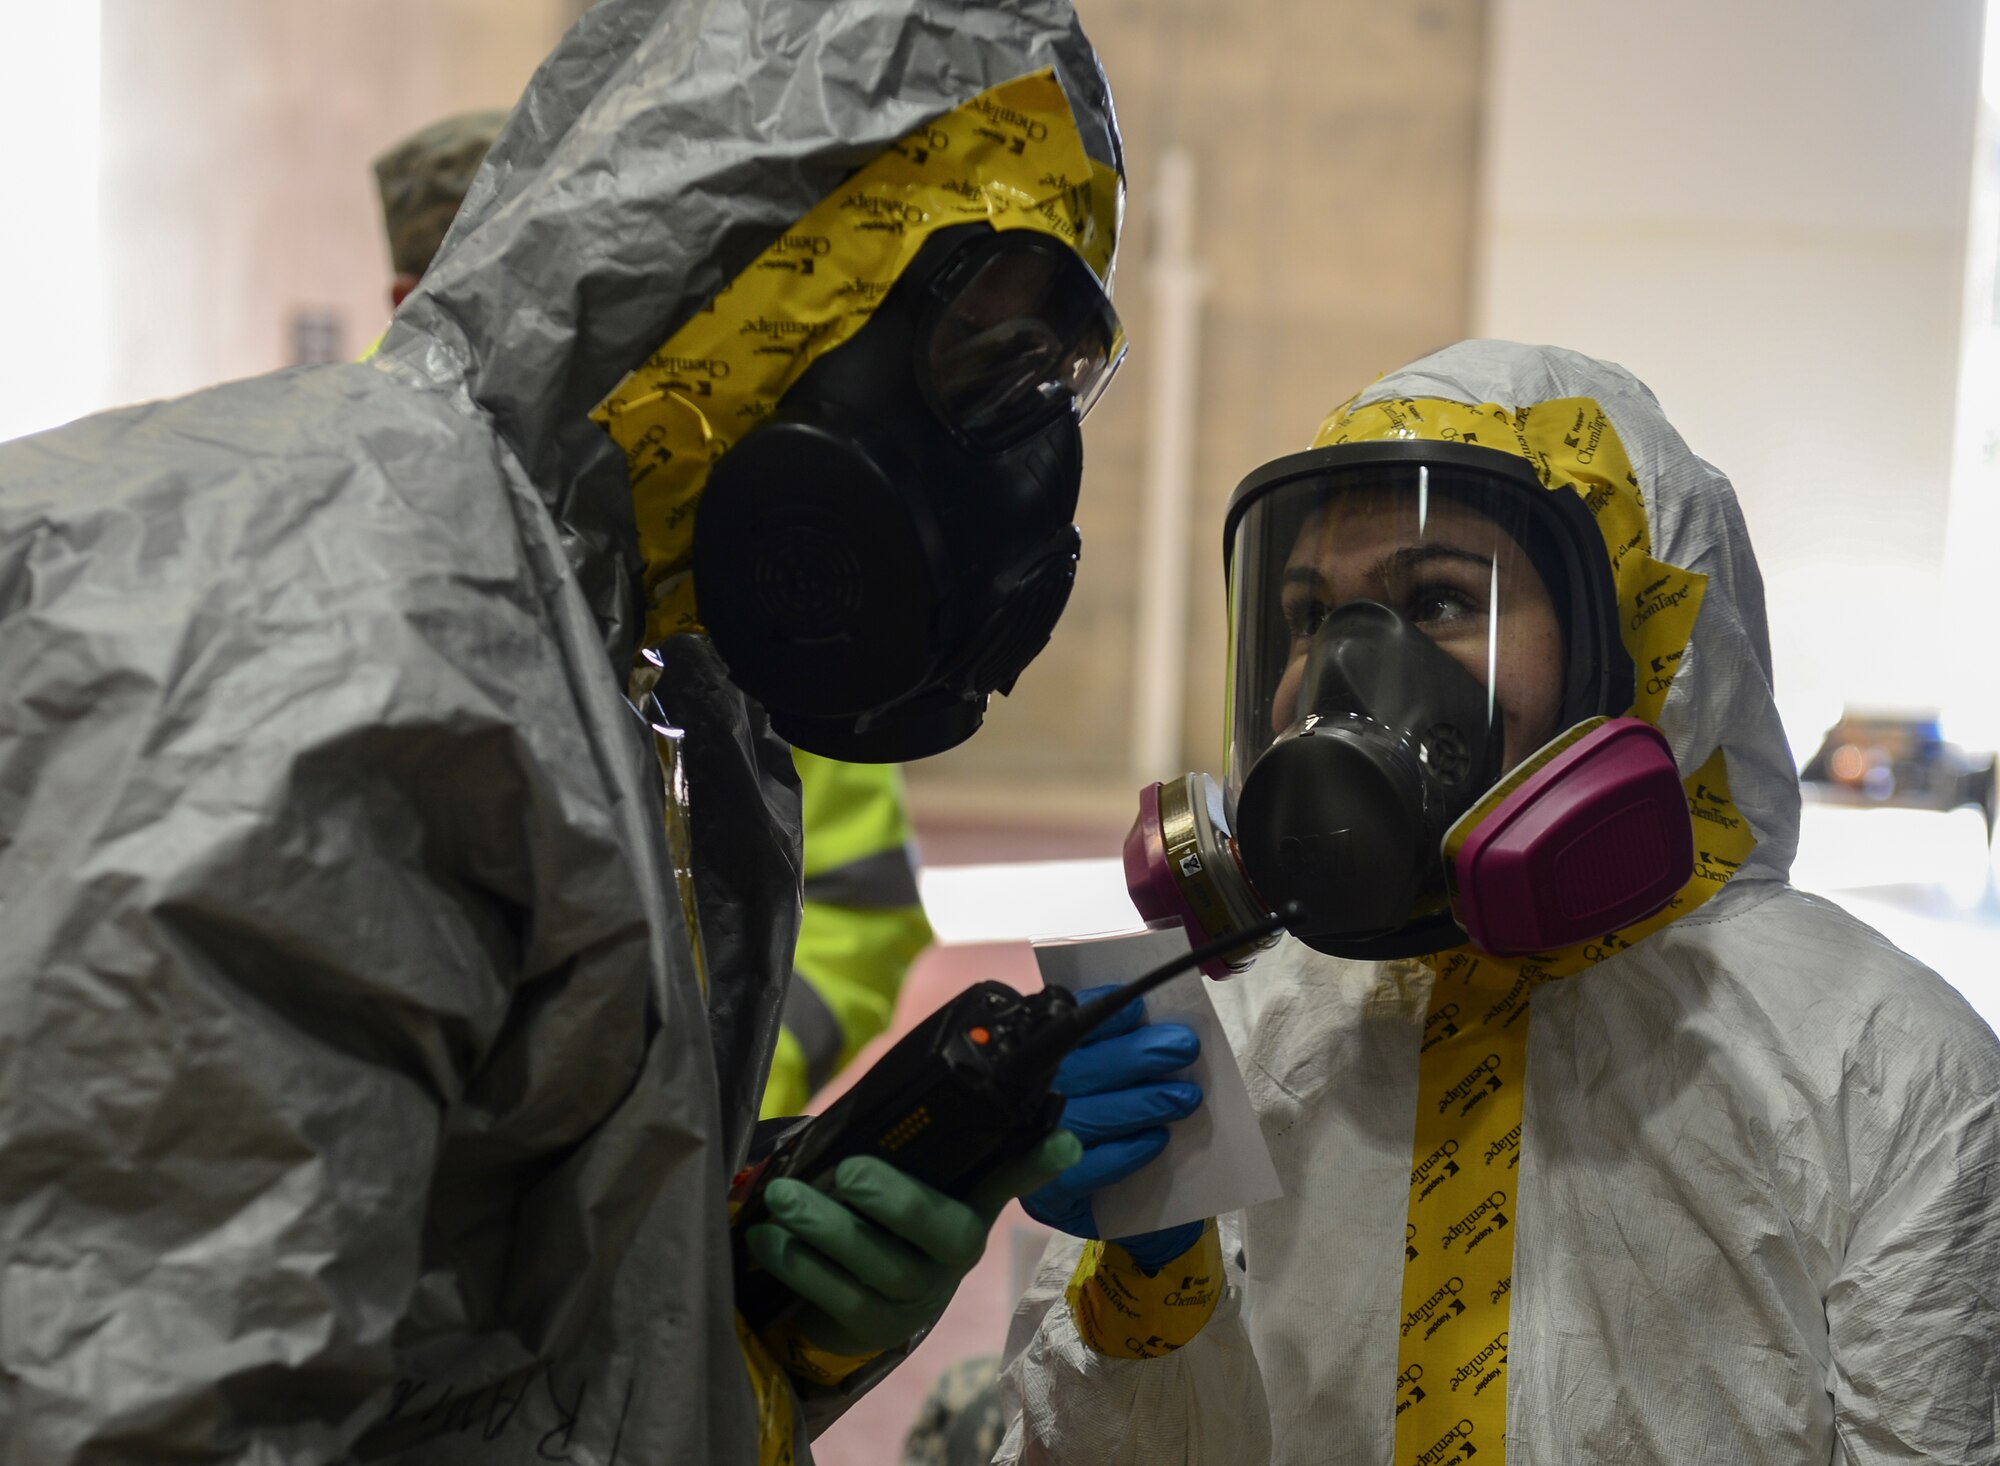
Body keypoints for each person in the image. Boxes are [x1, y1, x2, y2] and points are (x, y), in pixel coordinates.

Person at [0, 0, 1126, 1461]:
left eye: (1038, 377)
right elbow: (140, 1401)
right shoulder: (342, 613)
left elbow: (466, 1356)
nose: (1008, 455)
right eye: (977, 360)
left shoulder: (631, 670)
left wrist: (752, 1329)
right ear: (783, 262)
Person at [998, 340, 2000, 1465]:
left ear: (1636, 643)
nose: (1337, 674)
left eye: (1434, 599)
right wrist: (1147, 1276)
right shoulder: (1222, 1047)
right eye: (1304, 616)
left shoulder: (1881, 1063)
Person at [372, 110, 937, 1122]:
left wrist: (709, 1108)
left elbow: (859, 897)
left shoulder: (734, 530)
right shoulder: (333, 523)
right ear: (411, 301)